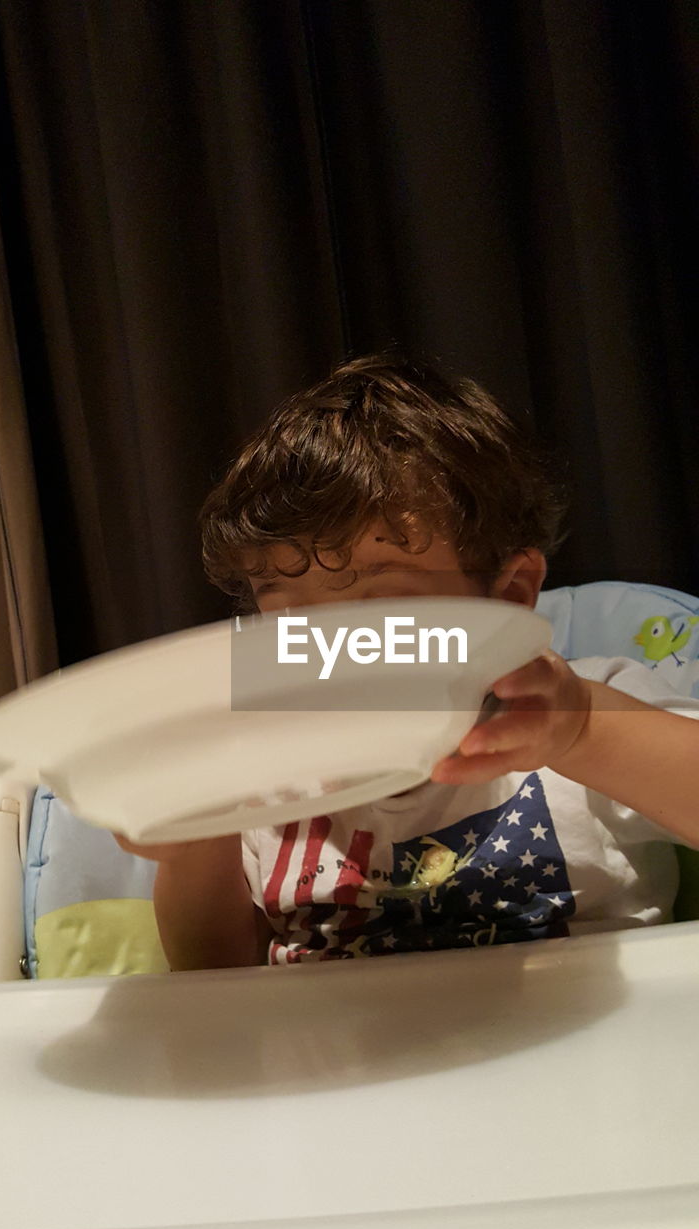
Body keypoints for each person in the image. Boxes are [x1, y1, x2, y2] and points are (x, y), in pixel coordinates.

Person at [116, 354, 699, 970]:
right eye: (287, 616)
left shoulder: (584, 707)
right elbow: (215, 984)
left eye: (384, 606)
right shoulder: (266, 770)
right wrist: (192, 848)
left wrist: (583, 729)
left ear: (509, 595)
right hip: (335, 1059)